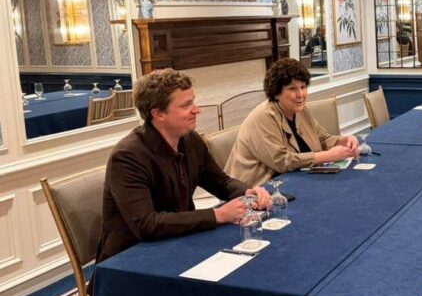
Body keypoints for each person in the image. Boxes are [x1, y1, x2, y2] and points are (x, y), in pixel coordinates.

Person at [95, 69, 272, 267]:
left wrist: (247, 192)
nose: (197, 110)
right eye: (186, 105)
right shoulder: (128, 156)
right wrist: (218, 215)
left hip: (180, 240)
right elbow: (146, 224)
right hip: (131, 260)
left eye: (193, 102)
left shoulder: (190, 140)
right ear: (158, 113)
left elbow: (220, 182)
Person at [225, 58, 359, 186]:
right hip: (257, 190)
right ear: (276, 92)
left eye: (303, 87)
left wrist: (344, 140)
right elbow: (282, 161)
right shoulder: (263, 117)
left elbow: (322, 138)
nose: (300, 94)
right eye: (292, 89)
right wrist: (328, 156)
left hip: (296, 180)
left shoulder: (300, 110)